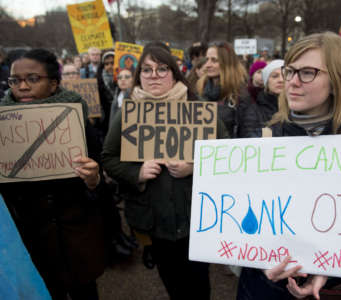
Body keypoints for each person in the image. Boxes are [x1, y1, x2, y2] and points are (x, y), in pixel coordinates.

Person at [237, 32, 341, 300]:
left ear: (336, 81)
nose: (292, 82)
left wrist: (332, 268)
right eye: (290, 71)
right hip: (264, 287)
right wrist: (260, 264)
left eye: (307, 72)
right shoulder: (262, 140)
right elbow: (239, 219)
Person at [102, 44, 228, 300]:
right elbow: (108, 157)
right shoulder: (129, 112)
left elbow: (227, 155)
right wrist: (136, 173)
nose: (154, 75)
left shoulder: (197, 107)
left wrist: (194, 167)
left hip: (195, 215)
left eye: (162, 69)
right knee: (173, 284)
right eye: (146, 70)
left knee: (198, 285)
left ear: (174, 73)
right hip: (154, 219)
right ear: (139, 75)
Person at [0, 48, 108, 300]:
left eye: (33, 79)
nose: (23, 86)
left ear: (53, 84)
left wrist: (93, 179)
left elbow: (99, 175)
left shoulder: (76, 118)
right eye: (15, 80)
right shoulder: (3, 125)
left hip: (77, 234)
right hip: (31, 238)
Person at [197, 41, 249, 138]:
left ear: (227, 63)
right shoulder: (199, 89)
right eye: (207, 59)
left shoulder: (240, 95)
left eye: (214, 60)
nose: (207, 65)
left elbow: (248, 131)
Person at [239, 59, 284, 138]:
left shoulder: (300, 109)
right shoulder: (253, 111)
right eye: (275, 76)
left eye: (285, 75)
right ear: (266, 82)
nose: (281, 80)